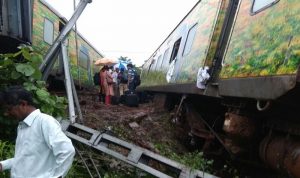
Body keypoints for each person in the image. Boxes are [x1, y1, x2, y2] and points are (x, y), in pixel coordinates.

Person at [0, 86, 75, 178]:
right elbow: (25, 158)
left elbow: (67, 151)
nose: (6, 113)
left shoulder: (45, 122)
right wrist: (3, 165)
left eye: (9, 109)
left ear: (23, 104)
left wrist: (56, 176)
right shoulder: (22, 126)